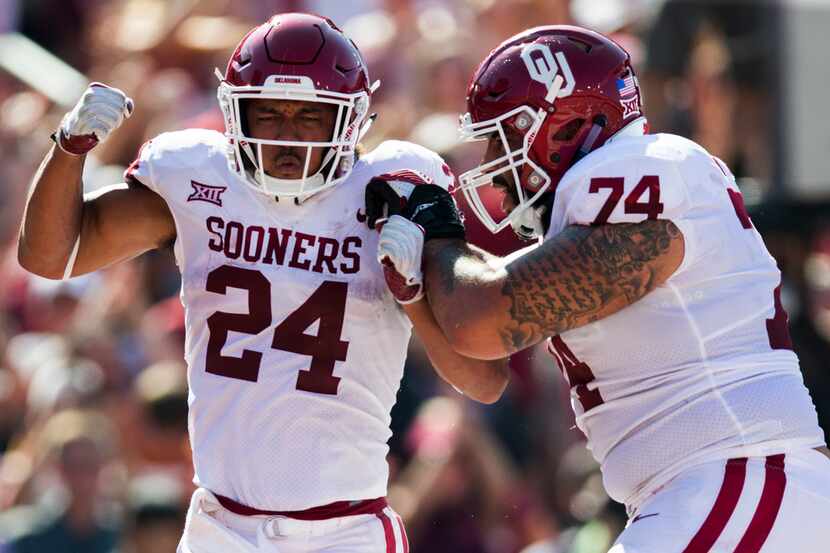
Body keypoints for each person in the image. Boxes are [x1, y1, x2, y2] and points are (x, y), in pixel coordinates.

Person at [17, 12, 508, 553]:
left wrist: (413, 295)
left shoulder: (394, 191)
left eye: (310, 117)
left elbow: (484, 380)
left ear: (351, 121)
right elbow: (49, 257)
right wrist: (68, 149)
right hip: (219, 526)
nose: (287, 136)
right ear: (234, 110)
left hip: (344, 531)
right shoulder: (199, 179)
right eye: (269, 114)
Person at [374, 25, 830, 552]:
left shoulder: (639, 167)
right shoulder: (609, 198)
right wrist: (412, 290)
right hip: (714, 489)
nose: (496, 176)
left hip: (737, 477)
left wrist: (435, 231)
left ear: (567, 128)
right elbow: (484, 375)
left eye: (505, 140)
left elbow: (482, 316)